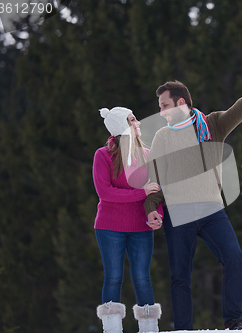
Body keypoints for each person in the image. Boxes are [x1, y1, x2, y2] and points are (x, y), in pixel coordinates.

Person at [144, 79, 242, 330]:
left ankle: (234, 322)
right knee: (180, 275)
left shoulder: (212, 125)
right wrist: (151, 209)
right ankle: (183, 329)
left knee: (234, 258)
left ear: (181, 103)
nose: (161, 112)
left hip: (212, 211)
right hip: (177, 213)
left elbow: (235, 112)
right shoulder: (163, 136)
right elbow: (154, 180)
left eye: (164, 105)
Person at [92, 106, 164, 333]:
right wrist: (140, 192)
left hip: (141, 226)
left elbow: (155, 191)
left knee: (142, 278)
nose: (138, 123)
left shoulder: (148, 153)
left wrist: (157, 214)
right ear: (123, 126)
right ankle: (112, 329)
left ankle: (149, 329)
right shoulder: (102, 155)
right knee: (113, 277)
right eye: (133, 120)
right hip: (109, 226)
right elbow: (106, 192)